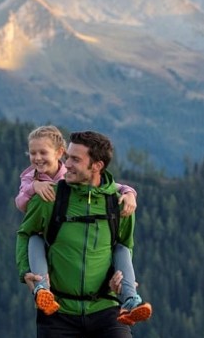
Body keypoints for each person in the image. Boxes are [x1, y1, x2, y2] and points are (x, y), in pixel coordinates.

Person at [16, 130, 146, 338]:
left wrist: (122, 278)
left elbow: (124, 245)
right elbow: (26, 234)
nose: (66, 164)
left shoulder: (118, 203)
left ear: (96, 165)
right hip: (58, 307)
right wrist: (26, 273)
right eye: (67, 156)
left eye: (75, 159)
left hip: (105, 304)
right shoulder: (51, 196)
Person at [16, 125, 151, 324]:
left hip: (104, 306)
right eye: (33, 153)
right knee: (35, 238)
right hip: (60, 305)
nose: (37, 158)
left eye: (43, 152)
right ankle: (42, 289)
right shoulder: (35, 181)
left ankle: (130, 298)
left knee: (121, 248)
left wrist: (129, 192)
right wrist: (34, 187)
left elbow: (111, 189)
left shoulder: (112, 200)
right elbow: (21, 210)